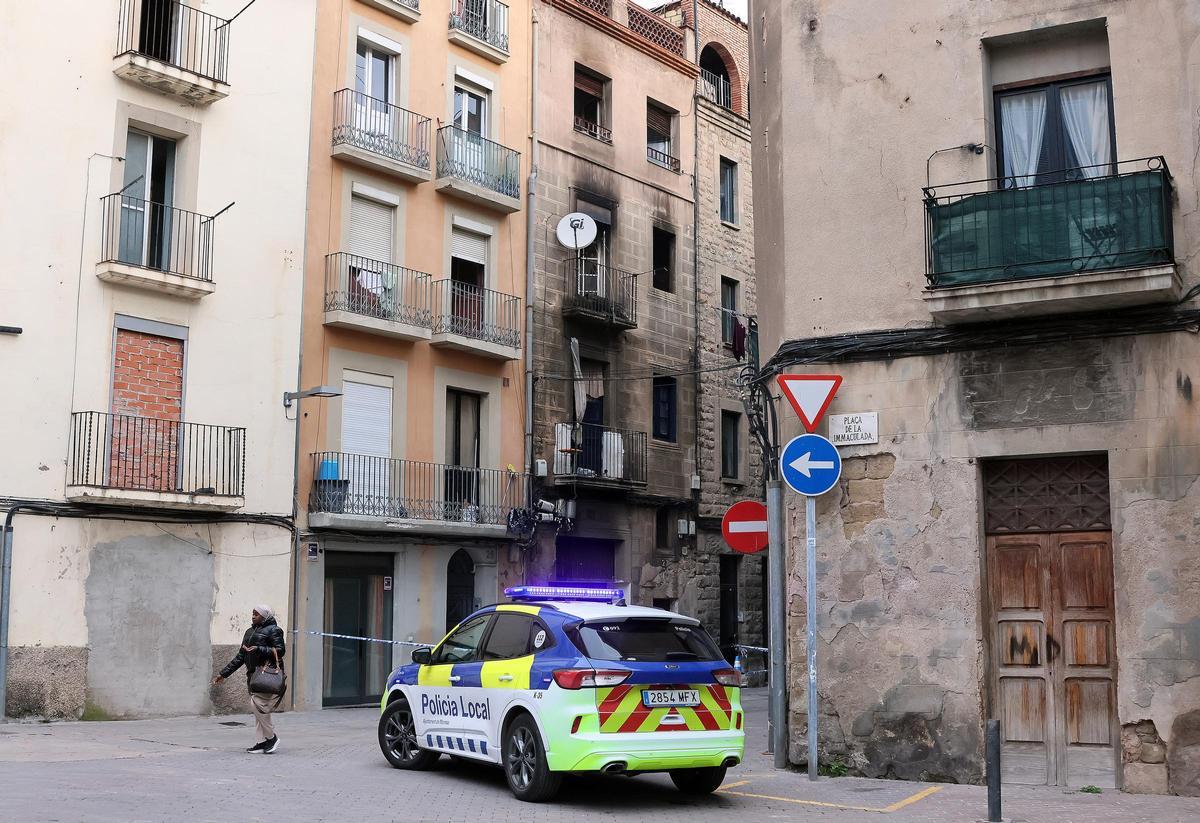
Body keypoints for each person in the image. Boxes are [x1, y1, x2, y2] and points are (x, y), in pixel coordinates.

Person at [212, 604, 286, 754]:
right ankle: (261, 742)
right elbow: (240, 656)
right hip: (253, 675)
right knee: (259, 708)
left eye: (256, 614)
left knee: (257, 705)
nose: (253, 616)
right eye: (252, 613)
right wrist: (223, 674)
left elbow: (280, 650)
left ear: (265, 616)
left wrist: (259, 649)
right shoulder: (249, 632)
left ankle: (271, 738)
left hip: (267, 674)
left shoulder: (274, 630)